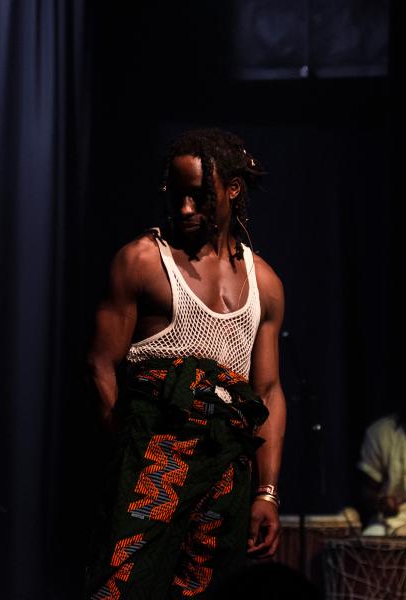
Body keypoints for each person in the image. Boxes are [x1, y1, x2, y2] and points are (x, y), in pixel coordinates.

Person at [85, 128, 286, 598]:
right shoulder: (141, 262)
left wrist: (267, 491)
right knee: (122, 590)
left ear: (232, 189)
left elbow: (269, 392)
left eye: (200, 197)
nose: (186, 209)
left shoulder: (266, 284)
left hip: (224, 473)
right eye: (177, 196)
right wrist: (131, 454)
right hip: (153, 467)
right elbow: (99, 365)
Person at [357, 406, 406, 536]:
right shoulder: (381, 432)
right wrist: (382, 503)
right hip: (392, 521)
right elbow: (366, 490)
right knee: (370, 537)